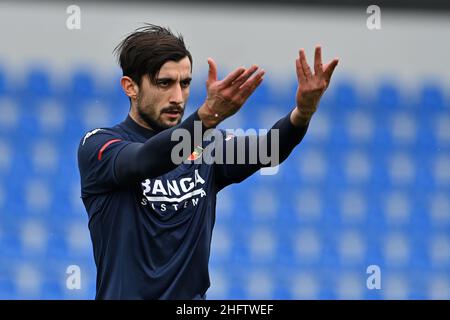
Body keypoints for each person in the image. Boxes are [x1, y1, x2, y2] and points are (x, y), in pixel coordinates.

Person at [77, 24, 338, 300]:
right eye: (164, 83)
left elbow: (270, 148)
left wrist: (303, 112)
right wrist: (208, 117)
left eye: (185, 83)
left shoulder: (207, 146)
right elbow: (145, 160)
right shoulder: (99, 146)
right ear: (130, 87)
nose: (178, 97)